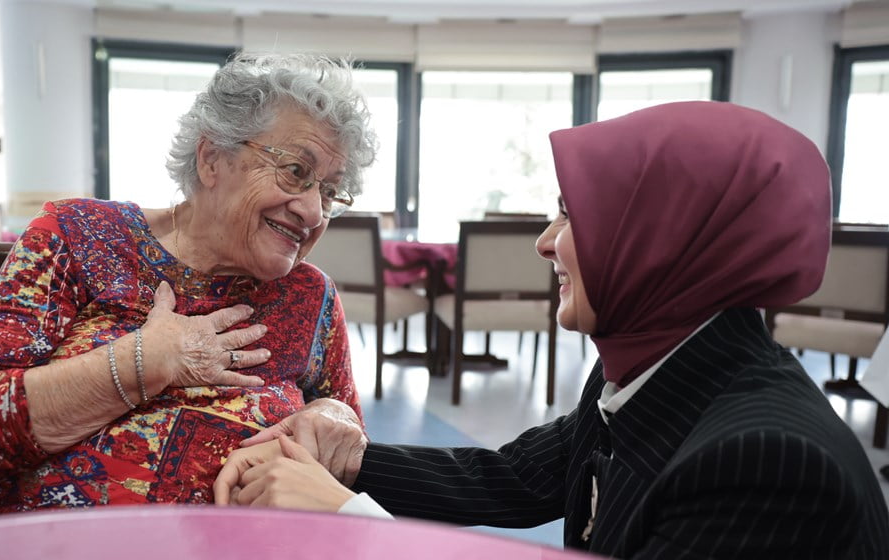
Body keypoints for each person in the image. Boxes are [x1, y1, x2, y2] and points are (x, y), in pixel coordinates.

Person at [215, 101, 889, 558]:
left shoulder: (768, 466)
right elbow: (513, 478)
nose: (545, 243)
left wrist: (346, 518)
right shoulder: (660, 368)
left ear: (664, 239)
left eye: (573, 216)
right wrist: (348, 462)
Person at [0, 52, 377, 527]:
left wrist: (335, 417)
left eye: (330, 191)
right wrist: (142, 361)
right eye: (296, 171)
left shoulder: (311, 297)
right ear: (212, 158)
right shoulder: (81, 236)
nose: (314, 211)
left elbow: (351, 449)